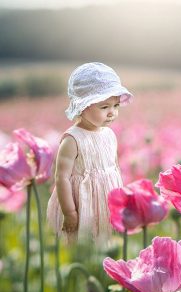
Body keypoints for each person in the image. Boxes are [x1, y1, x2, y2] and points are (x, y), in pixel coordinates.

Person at [47, 62, 133, 247]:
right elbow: (61, 177)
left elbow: (115, 169)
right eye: (104, 107)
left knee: (105, 243)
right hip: (82, 202)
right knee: (83, 244)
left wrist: (121, 198)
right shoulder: (72, 139)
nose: (112, 113)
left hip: (106, 200)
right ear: (83, 106)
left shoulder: (109, 135)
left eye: (116, 106)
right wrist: (70, 212)